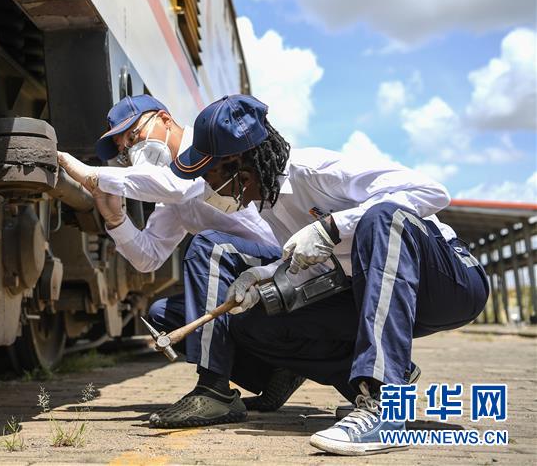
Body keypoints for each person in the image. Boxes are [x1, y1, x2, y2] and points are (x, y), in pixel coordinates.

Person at [170, 94, 489, 455]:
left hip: (449, 282)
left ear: (237, 165)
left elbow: (432, 192)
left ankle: (386, 407)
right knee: (254, 325)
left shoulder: (317, 170)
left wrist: (334, 226)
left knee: (382, 217)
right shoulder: (270, 205)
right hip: (373, 291)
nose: (208, 189)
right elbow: (318, 263)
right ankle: (376, 378)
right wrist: (266, 275)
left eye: (210, 176)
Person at [57, 94, 305, 428]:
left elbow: (177, 186)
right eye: (124, 149)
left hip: (284, 264)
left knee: (207, 246)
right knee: (164, 315)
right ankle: (276, 373)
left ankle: (213, 390)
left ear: (163, 118)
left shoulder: (207, 148)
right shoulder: (170, 189)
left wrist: (91, 175)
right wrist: (116, 220)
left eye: (133, 137)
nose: (131, 151)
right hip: (245, 277)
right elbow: (149, 258)